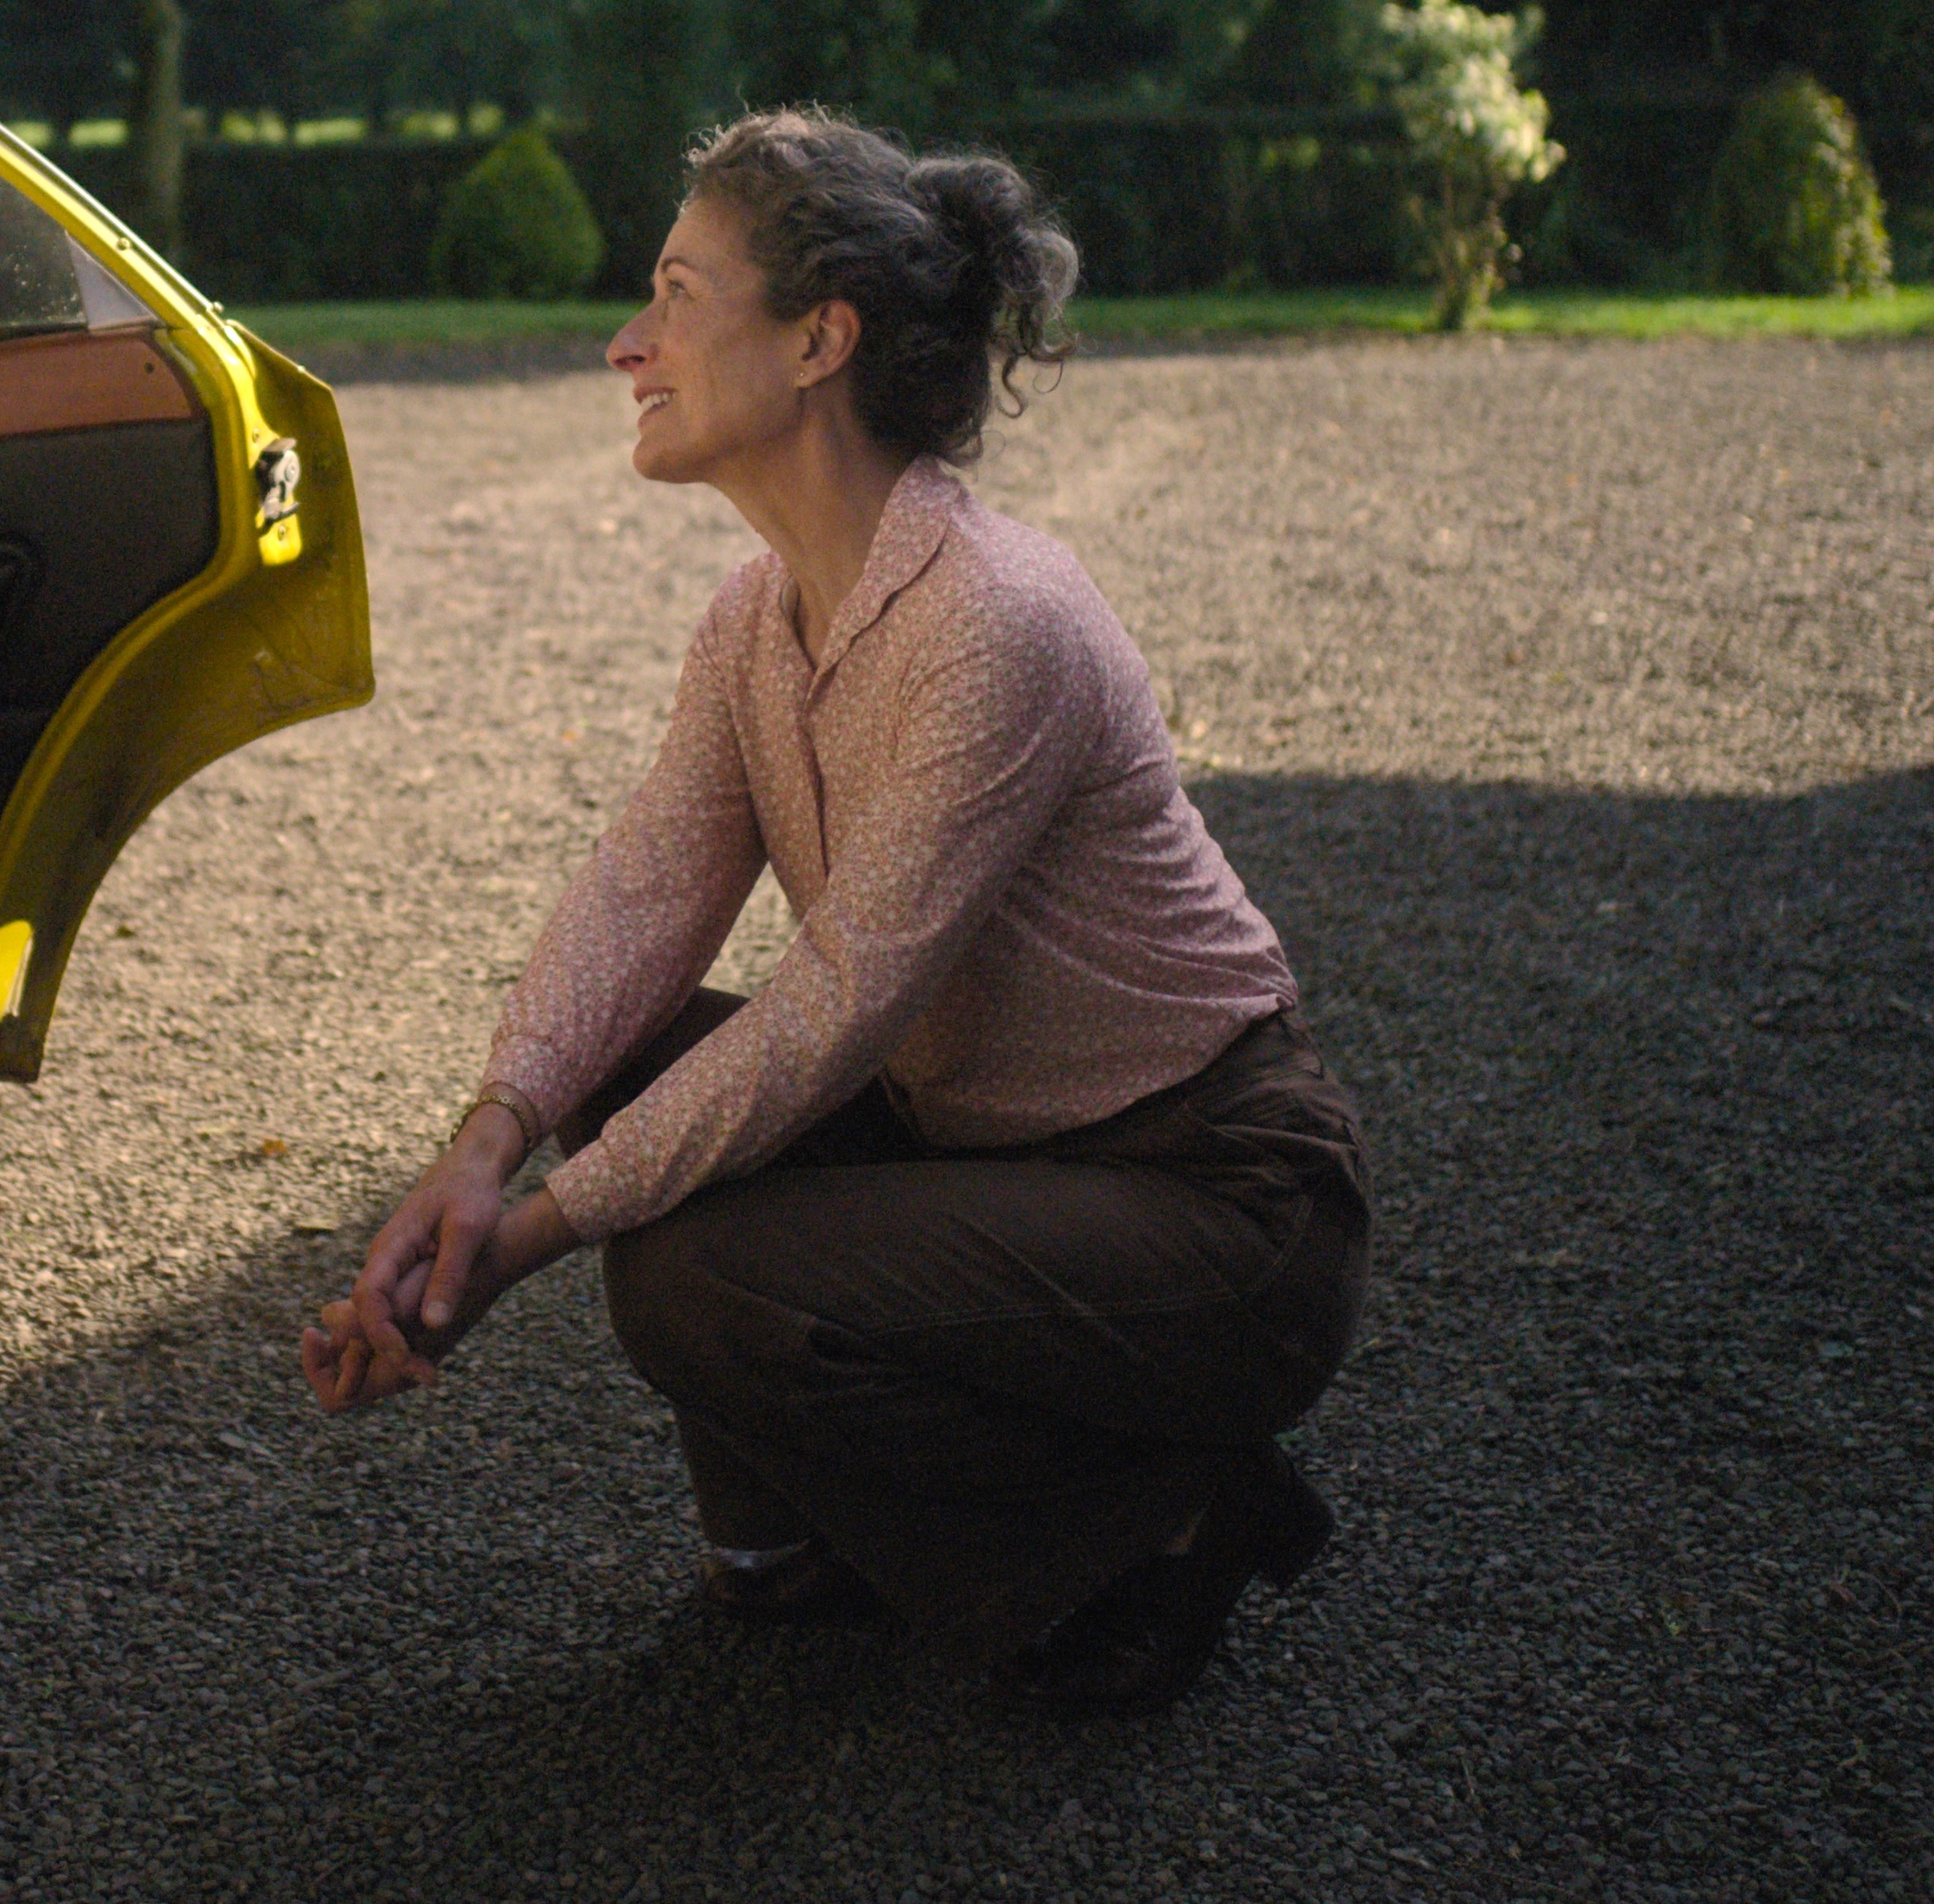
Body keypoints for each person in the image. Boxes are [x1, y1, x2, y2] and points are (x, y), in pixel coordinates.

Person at [298, 110, 1367, 1714]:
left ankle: (1163, 1520)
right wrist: (479, 1144)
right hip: (999, 1160)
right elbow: (648, 885)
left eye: (673, 293)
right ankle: (805, 1545)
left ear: (819, 337)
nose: (625, 342)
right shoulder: (758, 614)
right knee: (633, 1051)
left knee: (687, 1277)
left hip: (1218, 1208)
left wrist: (508, 1250)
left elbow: (829, 1007)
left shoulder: (992, 625)